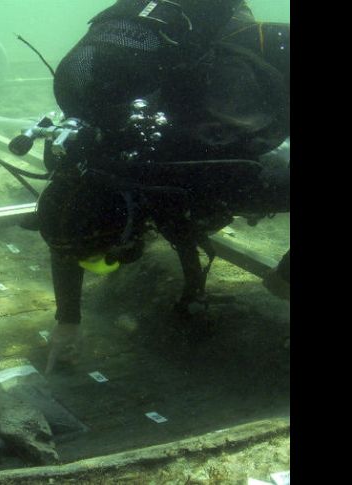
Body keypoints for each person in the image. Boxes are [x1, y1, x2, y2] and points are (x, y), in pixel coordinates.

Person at [31, 0, 290, 373]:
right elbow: (70, 230)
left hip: (245, 63)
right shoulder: (88, 162)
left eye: (102, 260)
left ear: (124, 234)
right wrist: (67, 320)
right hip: (195, 49)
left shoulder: (218, 171)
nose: (107, 263)